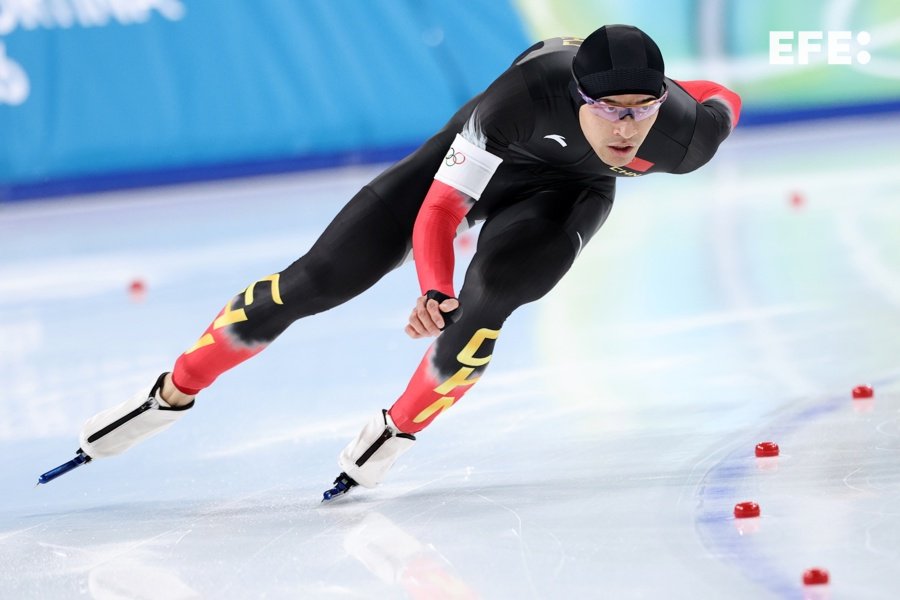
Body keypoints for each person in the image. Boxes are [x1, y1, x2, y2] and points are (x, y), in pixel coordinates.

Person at [39, 24, 741, 499]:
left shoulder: (679, 138)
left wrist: (690, 96)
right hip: (469, 167)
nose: (626, 128)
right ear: (576, 96)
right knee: (318, 279)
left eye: (640, 109)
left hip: (565, 195)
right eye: (607, 109)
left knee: (494, 291)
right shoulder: (517, 100)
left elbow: (723, 100)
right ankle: (170, 392)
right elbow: (437, 212)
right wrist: (433, 289)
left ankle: (397, 430)